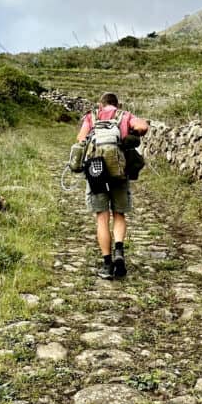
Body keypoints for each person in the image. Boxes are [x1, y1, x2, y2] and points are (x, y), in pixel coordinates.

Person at [77, 92, 150, 279]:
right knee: (119, 214)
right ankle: (119, 252)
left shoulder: (91, 116)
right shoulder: (124, 116)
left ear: (101, 104)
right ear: (117, 104)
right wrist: (133, 134)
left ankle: (107, 265)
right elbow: (143, 126)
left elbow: (80, 139)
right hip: (120, 172)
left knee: (102, 218)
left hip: (96, 172)